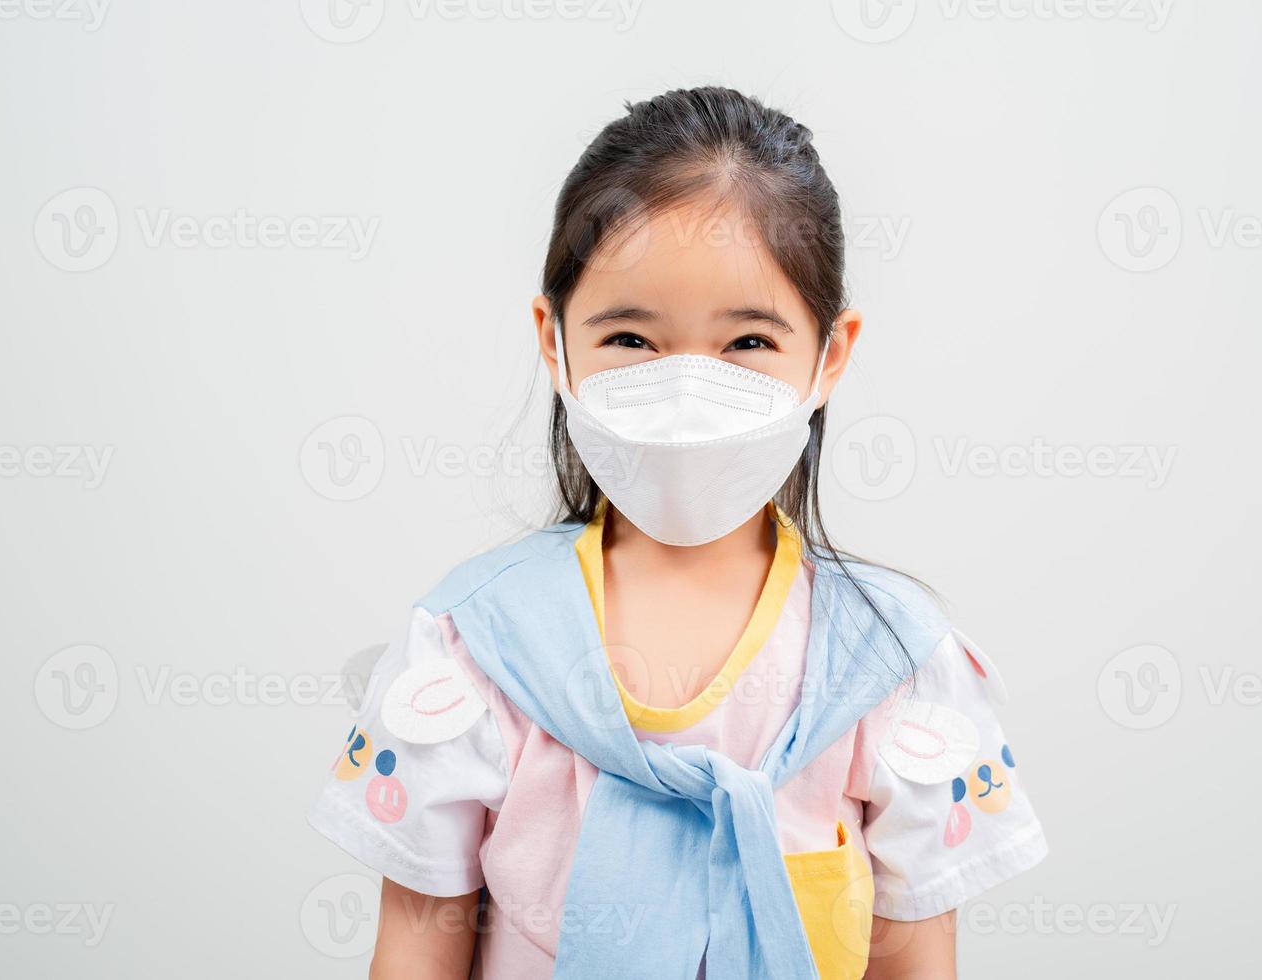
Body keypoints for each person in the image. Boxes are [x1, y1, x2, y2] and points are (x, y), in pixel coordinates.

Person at [309, 86, 1046, 980]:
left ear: (830, 356)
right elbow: (417, 954)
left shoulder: (891, 665)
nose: (687, 390)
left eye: (746, 344)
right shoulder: (472, 646)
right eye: (629, 338)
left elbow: (916, 964)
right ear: (554, 341)